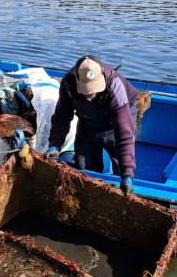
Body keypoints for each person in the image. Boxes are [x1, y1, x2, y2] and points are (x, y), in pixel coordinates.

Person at [46, 55, 138, 196]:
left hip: (115, 123)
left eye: (96, 87)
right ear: (77, 78)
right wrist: (54, 146)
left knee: (122, 168)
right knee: (84, 171)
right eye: (88, 89)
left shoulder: (115, 86)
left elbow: (125, 134)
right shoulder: (68, 84)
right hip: (87, 123)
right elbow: (61, 118)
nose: (93, 93)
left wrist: (127, 176)